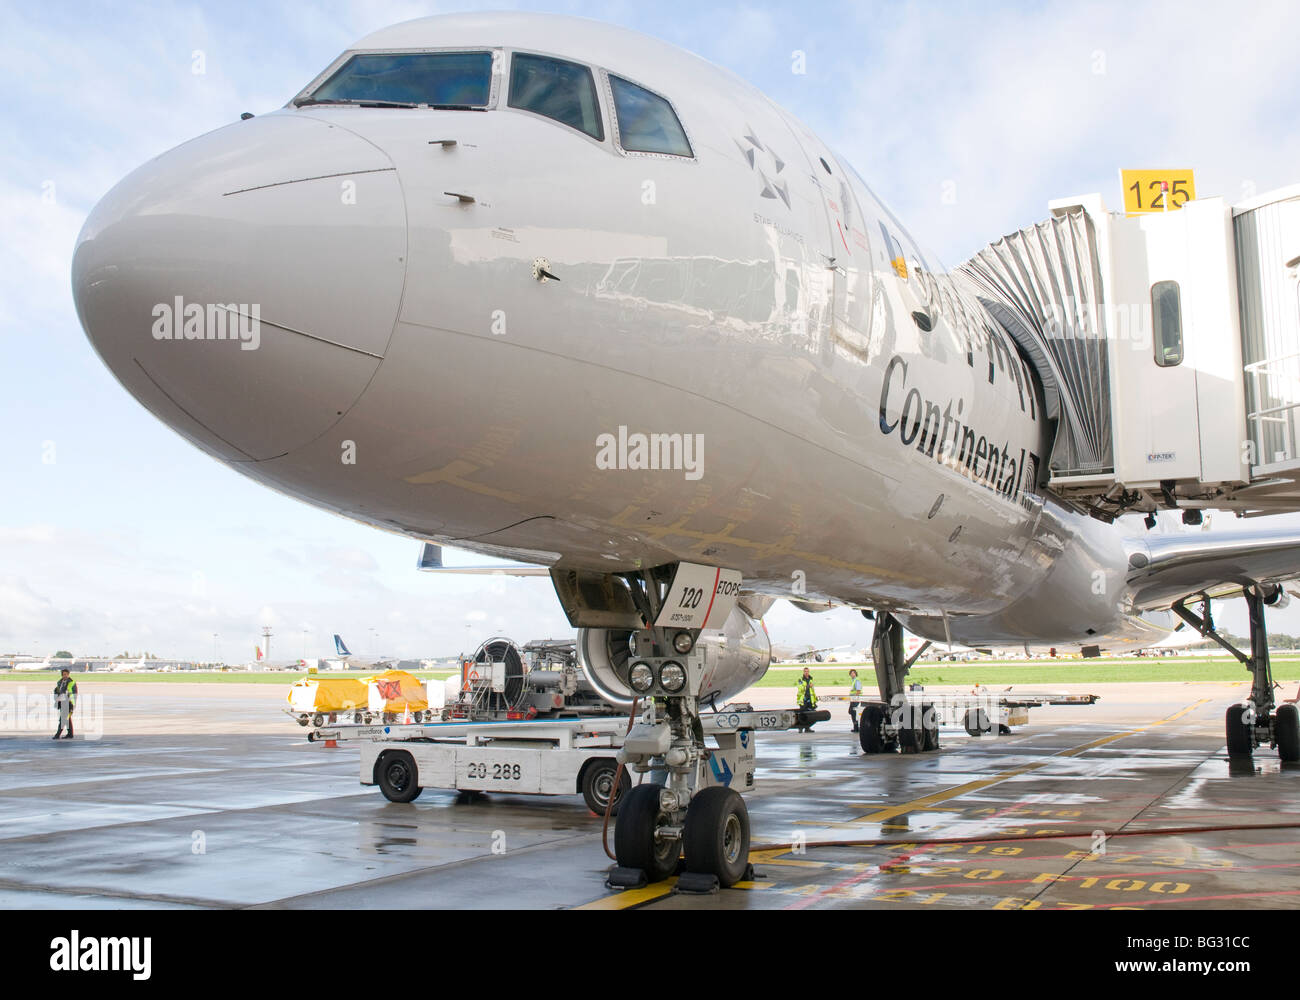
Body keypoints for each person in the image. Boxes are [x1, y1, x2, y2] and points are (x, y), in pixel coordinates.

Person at [53, 669, 77, 739]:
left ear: (68, 675)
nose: (65, 676)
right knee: (67, 719)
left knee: (63, 719)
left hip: (69, 703)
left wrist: (73, 704)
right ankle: (70, 734)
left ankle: (57, 735)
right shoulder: (59, 683)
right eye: (63, 674)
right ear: (62, 675)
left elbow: (75, 693)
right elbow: (57, 691)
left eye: (66, 674)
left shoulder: (72, 682)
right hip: (61, 702)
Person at [795, 666, 818, 732]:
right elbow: (800, 688)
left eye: (807, 671)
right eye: (805, 671)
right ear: (803, 672)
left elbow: (812, 690)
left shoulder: (811, 679)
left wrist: (814, 698)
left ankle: (807, 728)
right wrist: (808, 686)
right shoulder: (801, 679)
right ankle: (800, 727)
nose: (806, 673)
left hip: (810, 699)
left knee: (809, 714)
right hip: (803, 699)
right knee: (802, 714)